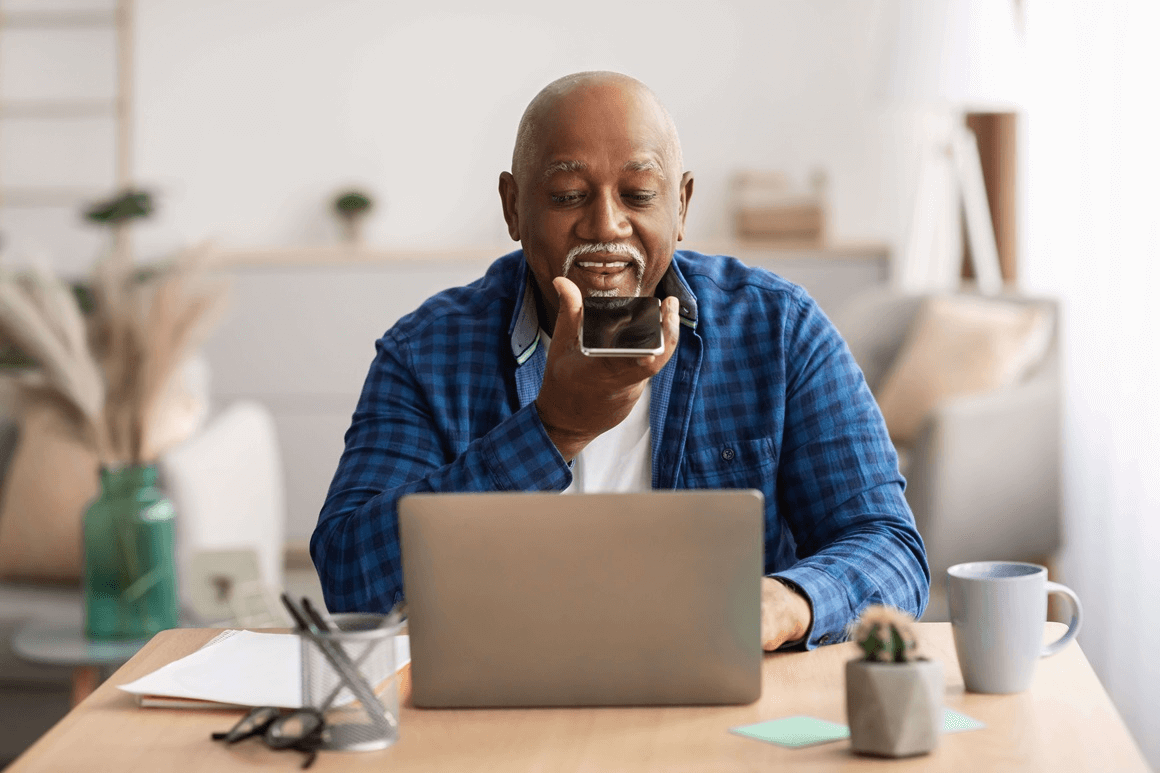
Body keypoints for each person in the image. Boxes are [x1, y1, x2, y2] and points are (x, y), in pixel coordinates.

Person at [312, 71, 930, 651]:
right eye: (567, 194)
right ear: (513, 207)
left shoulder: (778, 330)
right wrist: (554, 429)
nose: (606, 223)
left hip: (713, 703)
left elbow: (891, 549)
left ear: (681, 206)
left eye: (638, 193)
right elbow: (349, 577)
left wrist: (787, 601)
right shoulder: (425, 353)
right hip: (502, 700)